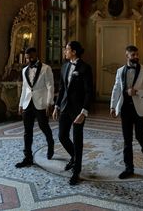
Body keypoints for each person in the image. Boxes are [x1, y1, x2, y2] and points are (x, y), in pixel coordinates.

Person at [110, 45, 143, 179]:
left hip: (139, 109)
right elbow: (116, 88)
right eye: (133, 55)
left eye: (137, 54)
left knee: (141, 137)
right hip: (125, 108)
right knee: (127, 139)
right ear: (127, 56)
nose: (136, 57)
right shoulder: (120, 71)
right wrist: (113, 106)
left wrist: (138, 92)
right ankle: (129, 168)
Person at [52, 41, 93, 186]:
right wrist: (57, 105)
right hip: (64, 107)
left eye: (67, 49)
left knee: (77, 140)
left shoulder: (85, 68)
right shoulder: (65, 66)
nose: (65, 51)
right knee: (62, 136)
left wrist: (84, 112)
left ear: (74, 51)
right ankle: (74, 157)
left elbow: (89, 92)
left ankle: (76, 171)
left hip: (78, 110)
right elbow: (62, 88)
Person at [15, 47, 55, 168]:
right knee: (27, 132)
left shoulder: (46, 68)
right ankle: (27, 157)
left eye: (31, 57)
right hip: (28, 103)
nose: (29, 60)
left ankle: (50, 143)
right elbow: (25, 88)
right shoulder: (24, 70)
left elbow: (50, 87)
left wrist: (49, 103)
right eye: (27, 58)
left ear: (36, 54)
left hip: (41, 103)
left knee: (44, 127)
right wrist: (21, 104)